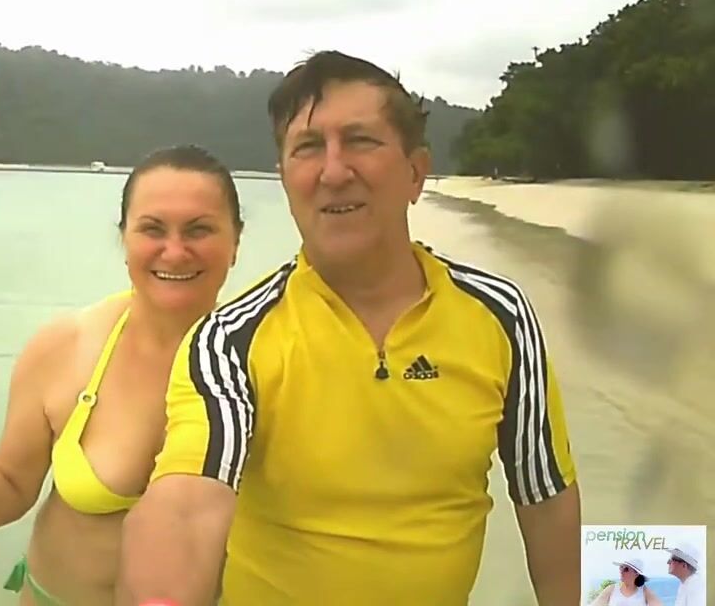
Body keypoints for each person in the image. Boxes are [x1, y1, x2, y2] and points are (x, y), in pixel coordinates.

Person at [117, 51, 582, 605]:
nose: (333, 172)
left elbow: (549, 501)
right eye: (308, 147)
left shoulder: (500, 314)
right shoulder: (230, 340)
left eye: (361, 141)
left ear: (415, 173)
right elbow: (187, 504)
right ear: (286, 179)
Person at [0, 145, 244, 605]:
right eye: (152, 229)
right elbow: (11, 483)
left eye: (199, 229)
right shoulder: (66, 347)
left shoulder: (269, 366)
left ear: (236, 241)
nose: (175, 251)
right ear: (124, 238)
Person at [589, 558, 662, 605]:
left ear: (636, 573)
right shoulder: (611, 589)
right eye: (621, 567)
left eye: (626, 569)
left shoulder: (645, 591)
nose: (621, 571)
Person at [665, 542, 705, 606]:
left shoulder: (695, 586)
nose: (668, 562)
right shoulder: (686, 584)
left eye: (671, 559)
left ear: (684, 565)